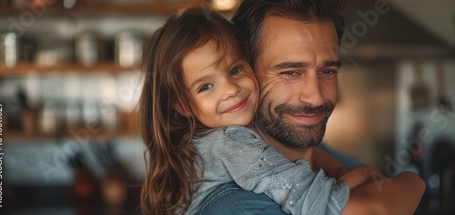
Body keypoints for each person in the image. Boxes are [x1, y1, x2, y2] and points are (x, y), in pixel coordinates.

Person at [198, 0, 426, 214]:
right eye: (290, 73)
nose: (316, 98)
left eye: (327, 71)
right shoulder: (237, 204)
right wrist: (411, 182)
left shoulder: (339, 161)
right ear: (243, 71)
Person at [139, 8, 373, 215]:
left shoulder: (198, 146)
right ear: (181, 105)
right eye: (290, 72)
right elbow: (323, 203)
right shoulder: (231, 152)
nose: (231, 90)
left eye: (235, 70)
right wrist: (404, 183)